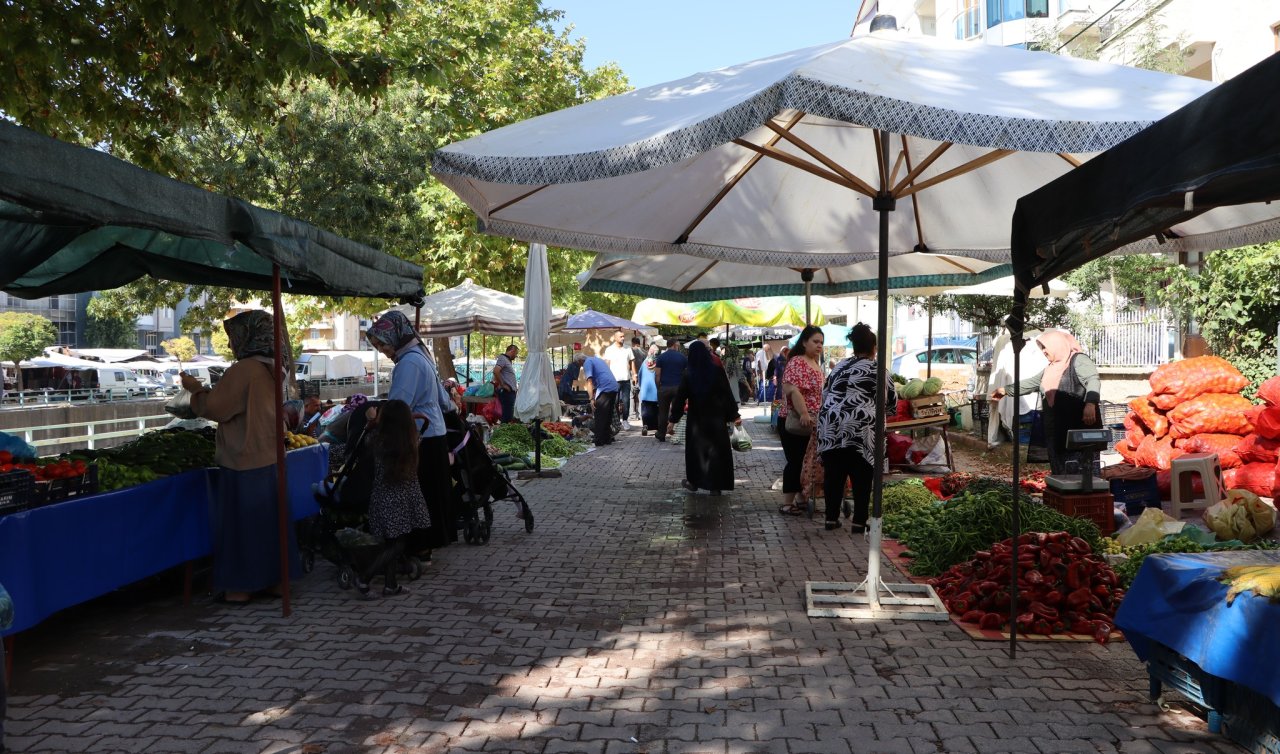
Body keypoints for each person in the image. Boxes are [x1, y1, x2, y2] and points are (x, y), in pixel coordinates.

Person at [182, 310, 297, 604]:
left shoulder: (244, 369)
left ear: (246, 336)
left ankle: (240, 588)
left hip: (244, 458)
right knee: (270, 524)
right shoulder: (276, 366)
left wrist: (195, 389)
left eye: (234, 337)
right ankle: (275, 582)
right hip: (272, 455)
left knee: (243, 528)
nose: (231, 345)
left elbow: (216, 408)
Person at [366, 310, 457, 550]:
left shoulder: (409, 364)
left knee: (422, 495)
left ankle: (421, 547)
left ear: (395, 336)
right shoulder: (421, 356)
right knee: (431, 494)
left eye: (382, 344)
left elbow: (399, 406)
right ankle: (430, 544)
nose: (382, 350)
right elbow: (441, 399)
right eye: (377, 346)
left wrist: (376, 416)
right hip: (433, 433)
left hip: (421, 436)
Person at [816, 324, 897, 533]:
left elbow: (825, 395)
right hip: (861, 427)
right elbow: (891, 405)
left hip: (830, 426)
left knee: (834, 475)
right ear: (874, 347)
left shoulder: (839, 366)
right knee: (862, 476)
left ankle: (831, 519)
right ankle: (859, 522)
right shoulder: (879, 370)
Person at [991, 330, 1101, 475]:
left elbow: (1092, 380)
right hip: (1056, 432)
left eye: (1045, 347)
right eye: (1041, 348)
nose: (1043, 351)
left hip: (1079, 429)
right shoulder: (1050, 369)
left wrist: (1090, 403)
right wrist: (1005, 390)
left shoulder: (1078, 360)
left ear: (1057, 345)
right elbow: (1031, 383)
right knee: (1061, 473)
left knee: (1082, 475)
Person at [355, 399, 432, 599]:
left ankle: (391, 585)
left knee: (392, 542)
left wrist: (371, 421)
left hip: (383, 497)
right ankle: (365, 578)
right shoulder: (411, 441)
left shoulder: (376, 440)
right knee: (397, 544)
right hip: (402, 499)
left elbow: (363, 441)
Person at [667, 340, 742, 495]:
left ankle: (694, 482)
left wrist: (672, 420)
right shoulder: (717, 371)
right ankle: (716, 486)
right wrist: (734, 415)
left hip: (697, 421)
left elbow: (680, 398)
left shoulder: (689, 373)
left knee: (697, 452)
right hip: (717, 420)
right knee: (716, 452)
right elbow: (727, 394)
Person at [776, 326, 825, 517]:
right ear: (804, 342)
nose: (819, 345)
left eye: (821, 342)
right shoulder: (797, 362)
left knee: (806, 462)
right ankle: (787, 504)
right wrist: (804, 413)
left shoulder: (814, 363)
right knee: (795, 461)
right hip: (795, 421)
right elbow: (792, 390)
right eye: (815, 341)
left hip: (811, 423)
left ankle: (801, 500)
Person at [581, 348, 620, 446]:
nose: (581, 367)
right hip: (613, 386)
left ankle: (599, 439)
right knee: (608, 414)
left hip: (605, 388)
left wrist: (591, 399)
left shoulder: (587, 363)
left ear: (580, 361)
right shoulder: (597, 359)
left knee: (600, 414)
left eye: (580, 365)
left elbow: (589, 382)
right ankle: (607, 438)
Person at [653, 338, 688, 443]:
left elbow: (657, 374)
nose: (678, 347)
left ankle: (661, 434)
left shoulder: (661, 357)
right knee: (677, 410)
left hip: (664, 388)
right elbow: (686, 374)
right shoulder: (682, 358)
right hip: (678, 388)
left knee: (663, 412)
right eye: (677, 345)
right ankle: (676, 433)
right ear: (674, 345)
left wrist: (658, 386)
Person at [602, 330, 635, 429]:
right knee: (614, 401)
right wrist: (607, 377)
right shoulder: (609, 349)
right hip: (614, 379)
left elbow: (632, 362)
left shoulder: (628, 348)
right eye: (621, 336)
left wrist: (635, 374)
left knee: (626, 401)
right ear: (615, 338)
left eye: (623, 336)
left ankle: (625, 420)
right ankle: (617, 421)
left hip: (625, 378)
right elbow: (607, 364)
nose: (623, 338)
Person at [638, 340, 661, 436]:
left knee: (645, 411)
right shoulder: (658, 363)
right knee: (656, 411)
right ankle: (656, 428)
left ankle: (645, 426)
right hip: (656, 391)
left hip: (645, 392)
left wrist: (640, 386)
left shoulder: (644, 363)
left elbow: (639, 375)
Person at [492, 344, 519, 423]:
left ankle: (503, 431)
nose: (516, 356)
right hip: (507, 393)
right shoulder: (503, 358)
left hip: (510, 392)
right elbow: (496, 371)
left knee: (508, 416)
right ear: (512, 351)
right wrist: (503, 384)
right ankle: (502, 433)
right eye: (516, 353)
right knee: (507, 417)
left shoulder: (506, 360)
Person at [630, 336, 646, 420]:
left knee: (632, 396)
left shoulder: (630, 351)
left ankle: (632, 414)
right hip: (642, 376)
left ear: (633, 343)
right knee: (640, 396)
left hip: (632, 375)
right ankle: (640, 414)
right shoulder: (644, 352)